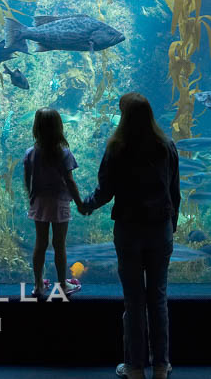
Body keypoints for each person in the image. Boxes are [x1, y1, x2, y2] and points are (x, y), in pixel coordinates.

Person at [79, 92, 179, 379]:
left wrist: (86, 205)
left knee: (134, 300)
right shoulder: (166, 145)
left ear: (123, 117)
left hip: (129, 231)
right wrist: (171, 225)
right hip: (160, 229)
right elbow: (174, 191)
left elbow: (105, 191)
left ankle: (135, 367)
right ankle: (161, 365)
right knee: (158, 298)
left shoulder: (117, 148)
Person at [23, 107, 83, 298]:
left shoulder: (30, 153)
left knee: (40, 243)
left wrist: (31, 195)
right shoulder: (64, 153)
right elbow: (70, 181)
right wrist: (79, 201)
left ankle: (38, 285)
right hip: (59, 203)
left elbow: (27, 179)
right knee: (59, 244)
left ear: (36, 128)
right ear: (59, 128)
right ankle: (62, 285)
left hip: (39, 202)